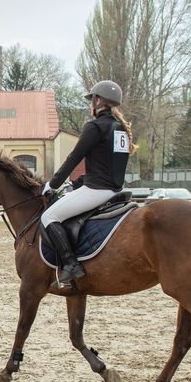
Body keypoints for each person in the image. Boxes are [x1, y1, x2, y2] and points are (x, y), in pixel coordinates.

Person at [40, 80, 134, 287]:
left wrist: (53, 184)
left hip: (97, 191)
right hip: (115, 189)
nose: (91, 103)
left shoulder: (95, 127)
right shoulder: (121, 129)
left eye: (92, 99)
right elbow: (106, 164)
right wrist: (77, 182)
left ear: (98, 100)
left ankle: (71, 265)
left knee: (49, 216)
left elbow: (74, 157)